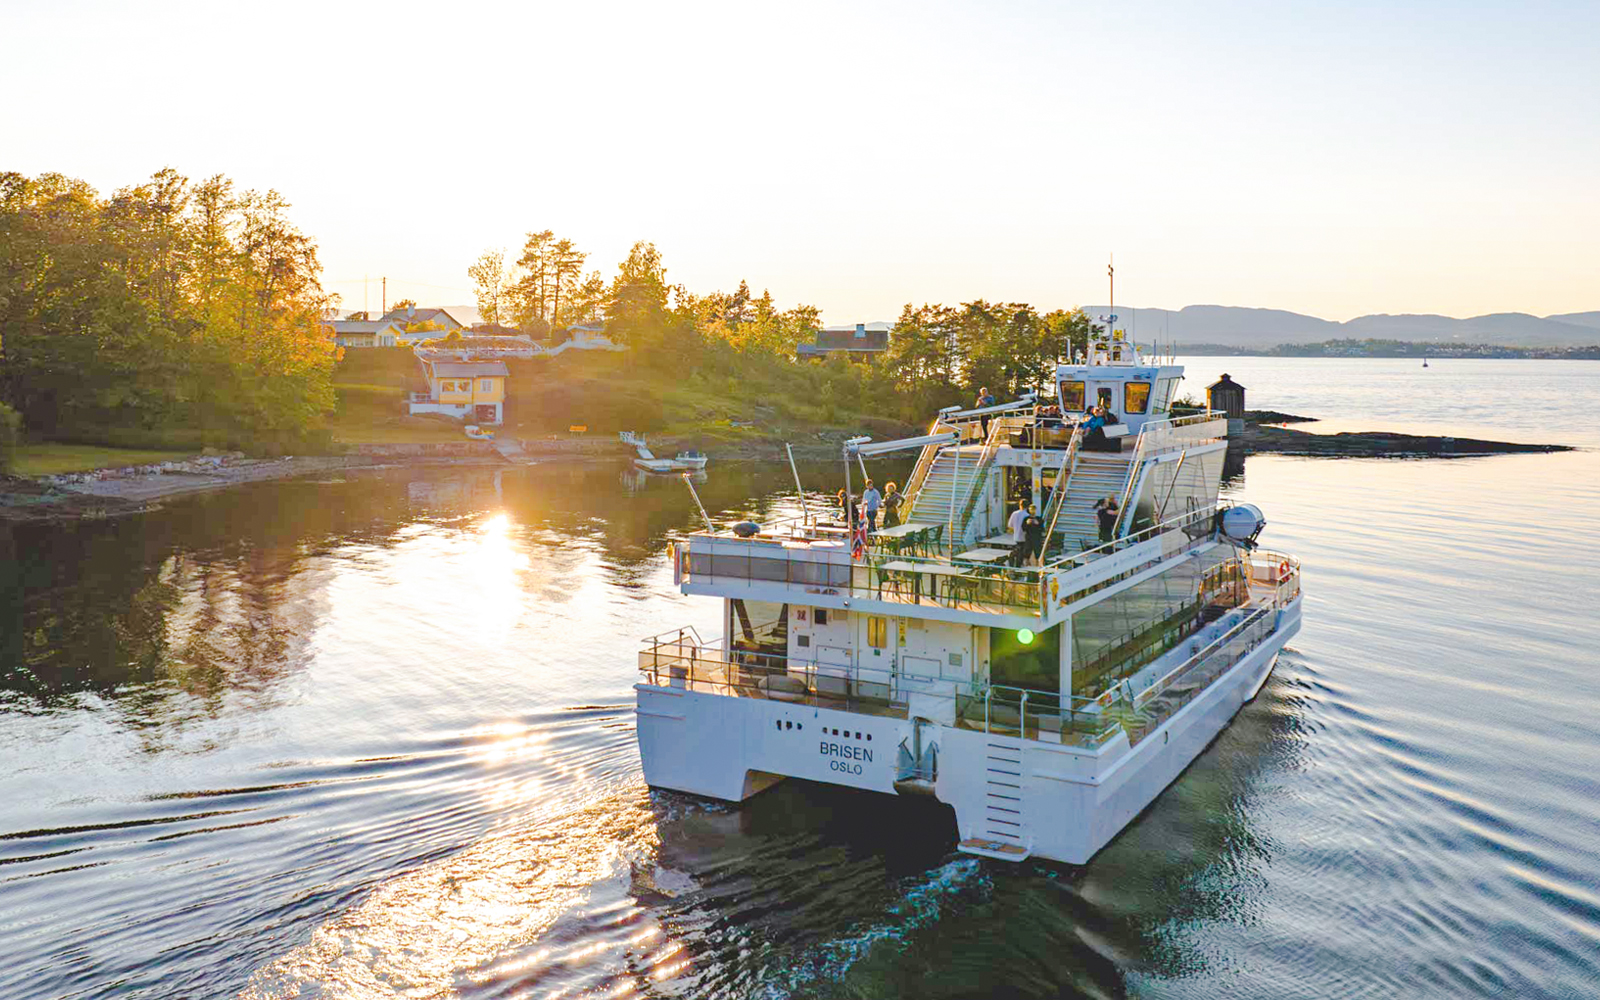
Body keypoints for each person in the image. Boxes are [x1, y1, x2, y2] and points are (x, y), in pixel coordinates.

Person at [1007, 498, 1029, 566]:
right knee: (1021, 553)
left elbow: (1010, 525)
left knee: (1017, 551)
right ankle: (1018, 566)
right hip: (1024, 537)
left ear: (1020, 505)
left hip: (1016, 536)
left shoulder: (1014, 513)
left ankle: (1012, 563)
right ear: (1027, 507)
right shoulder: (1027, 516)